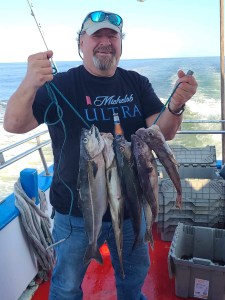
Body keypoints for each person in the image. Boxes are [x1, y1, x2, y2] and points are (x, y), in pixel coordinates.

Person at [4, 10, 197, 300]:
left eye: (112, 36)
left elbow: (163, 132)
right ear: (81, 43)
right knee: (66, 288)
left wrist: (177, 105)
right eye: (97, 35)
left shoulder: (137, 83)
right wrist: (30, 82)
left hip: (133, 208)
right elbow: (14, 124)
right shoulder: (60, 85)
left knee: (133, 283)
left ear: (121, 43)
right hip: (74, 215)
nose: (105, 41)